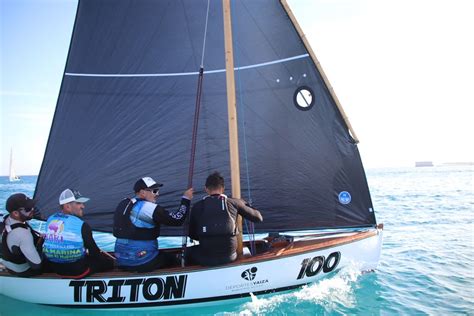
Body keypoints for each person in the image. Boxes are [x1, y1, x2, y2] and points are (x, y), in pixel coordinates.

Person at [113, 176, 193, 272]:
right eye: (154, 191)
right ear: (142, 192)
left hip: (120, 260)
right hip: (143, 261)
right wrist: (186, 199)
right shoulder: (150, 208)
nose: (157, 194)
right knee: (173, 259)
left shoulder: (123, 203)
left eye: (158, 191)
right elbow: (178, 219)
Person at [187, 172, 263, 266]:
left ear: (206, 189)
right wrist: (245, 204)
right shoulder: (235, 203)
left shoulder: (196, 207)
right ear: (223, 188)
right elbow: (258, 218)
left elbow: (192, 235)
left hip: (206, 258)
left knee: (188, 252)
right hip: (230, 257)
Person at [42, 189, 114, 278]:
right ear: (67, 206)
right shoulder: (82, 225)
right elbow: (94, 252)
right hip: (77, 271)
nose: (83, 206)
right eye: (79, 203)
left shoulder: (50, 219)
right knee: (107, 263)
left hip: (55, 267)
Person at [1, 193, 43, 277]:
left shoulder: (5, 220)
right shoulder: (23, 233)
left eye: (32, 206)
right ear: (15, 213)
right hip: (22, 270)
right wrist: (41, 246)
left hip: (9, 262)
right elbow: (36, 264)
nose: (32, 209)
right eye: (28, 209)